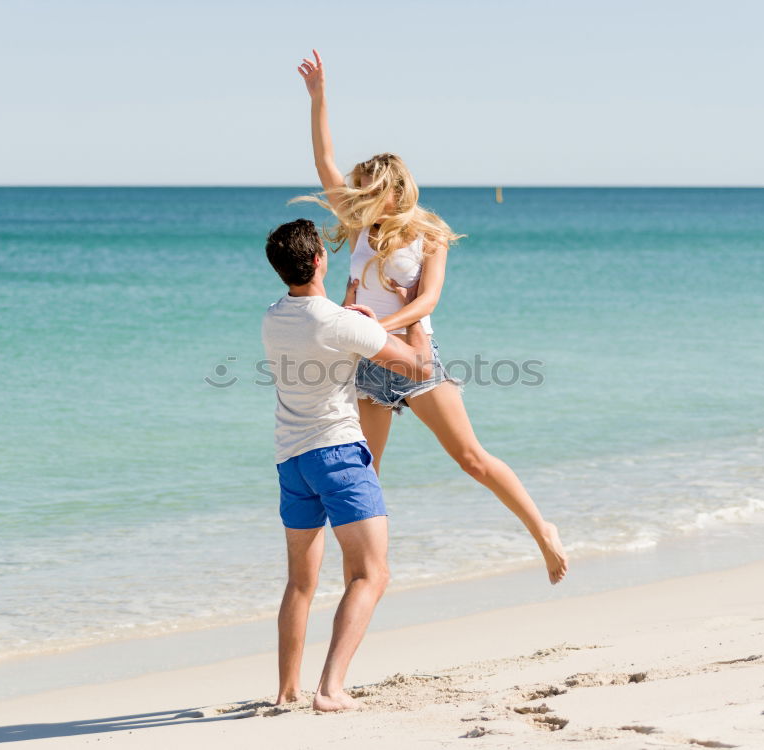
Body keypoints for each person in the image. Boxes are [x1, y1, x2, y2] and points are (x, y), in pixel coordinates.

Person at [293, 49, 568, 585]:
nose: (359, 196)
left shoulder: (429, 232)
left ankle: (542, 530)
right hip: (369, 364)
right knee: (364, 476)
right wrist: (319, 97)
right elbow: (325, 159)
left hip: (416, 360)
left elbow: (428, 301)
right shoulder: (357, 225)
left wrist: (377, 327)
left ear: (395, 188)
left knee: (471, 458)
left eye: (370, 189)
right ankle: (364, 570)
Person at [262, 218, 434, 711]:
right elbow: (419, 367)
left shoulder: (273, 316)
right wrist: (412, 310)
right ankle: (331, 690)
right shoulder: (343, 323)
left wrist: (351, 312)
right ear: (319, 258)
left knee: (300, 582)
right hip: (337, 455)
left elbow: (320, 324)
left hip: (291, 460)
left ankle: (286, 692)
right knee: (371, 574)